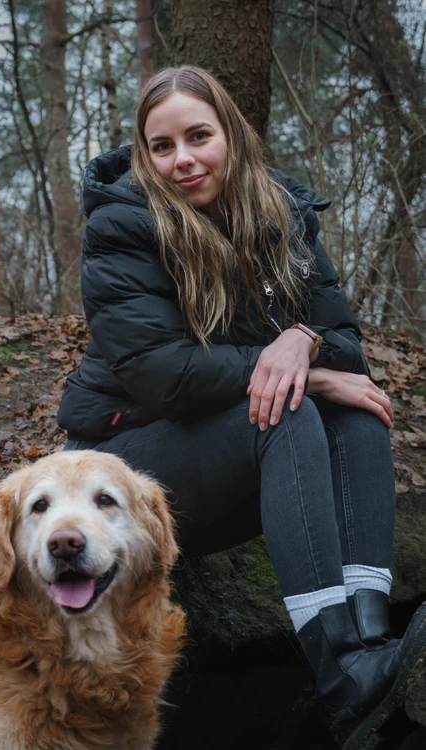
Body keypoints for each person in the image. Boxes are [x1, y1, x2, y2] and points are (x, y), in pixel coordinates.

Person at [57, 65, 426, 749]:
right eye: (162, 146)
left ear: (233, 134)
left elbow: (344, 345)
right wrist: (300, 372)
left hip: (222, 449)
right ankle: (341, 668)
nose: (183, 160)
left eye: (199, 136)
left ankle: (370, 641)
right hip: (124, 465)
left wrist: (303, 337)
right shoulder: (121, 224)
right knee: (285, 409)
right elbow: (160, 376)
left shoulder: (284, 211)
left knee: (360, 409)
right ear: (145, 154)